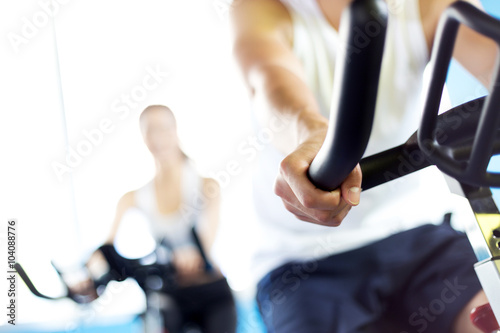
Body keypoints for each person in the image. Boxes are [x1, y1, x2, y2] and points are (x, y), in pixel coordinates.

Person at [229, 0, 498, 332]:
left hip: (417, 234)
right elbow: (269, 79)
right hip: (304, 260)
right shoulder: (263, 9)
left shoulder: (426, 4)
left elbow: (492, 59)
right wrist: (311, 134)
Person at [73, 105, 237, 333]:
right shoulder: (133, 198)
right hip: (171, 294)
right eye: (150, 130)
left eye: (164, 128)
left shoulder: (207, 187)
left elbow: (207, 239)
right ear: (143, 138)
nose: (158, 137)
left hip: (211, 291)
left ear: (175, 130)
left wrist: (193, 254)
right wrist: (89, 275)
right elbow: (106, 248)